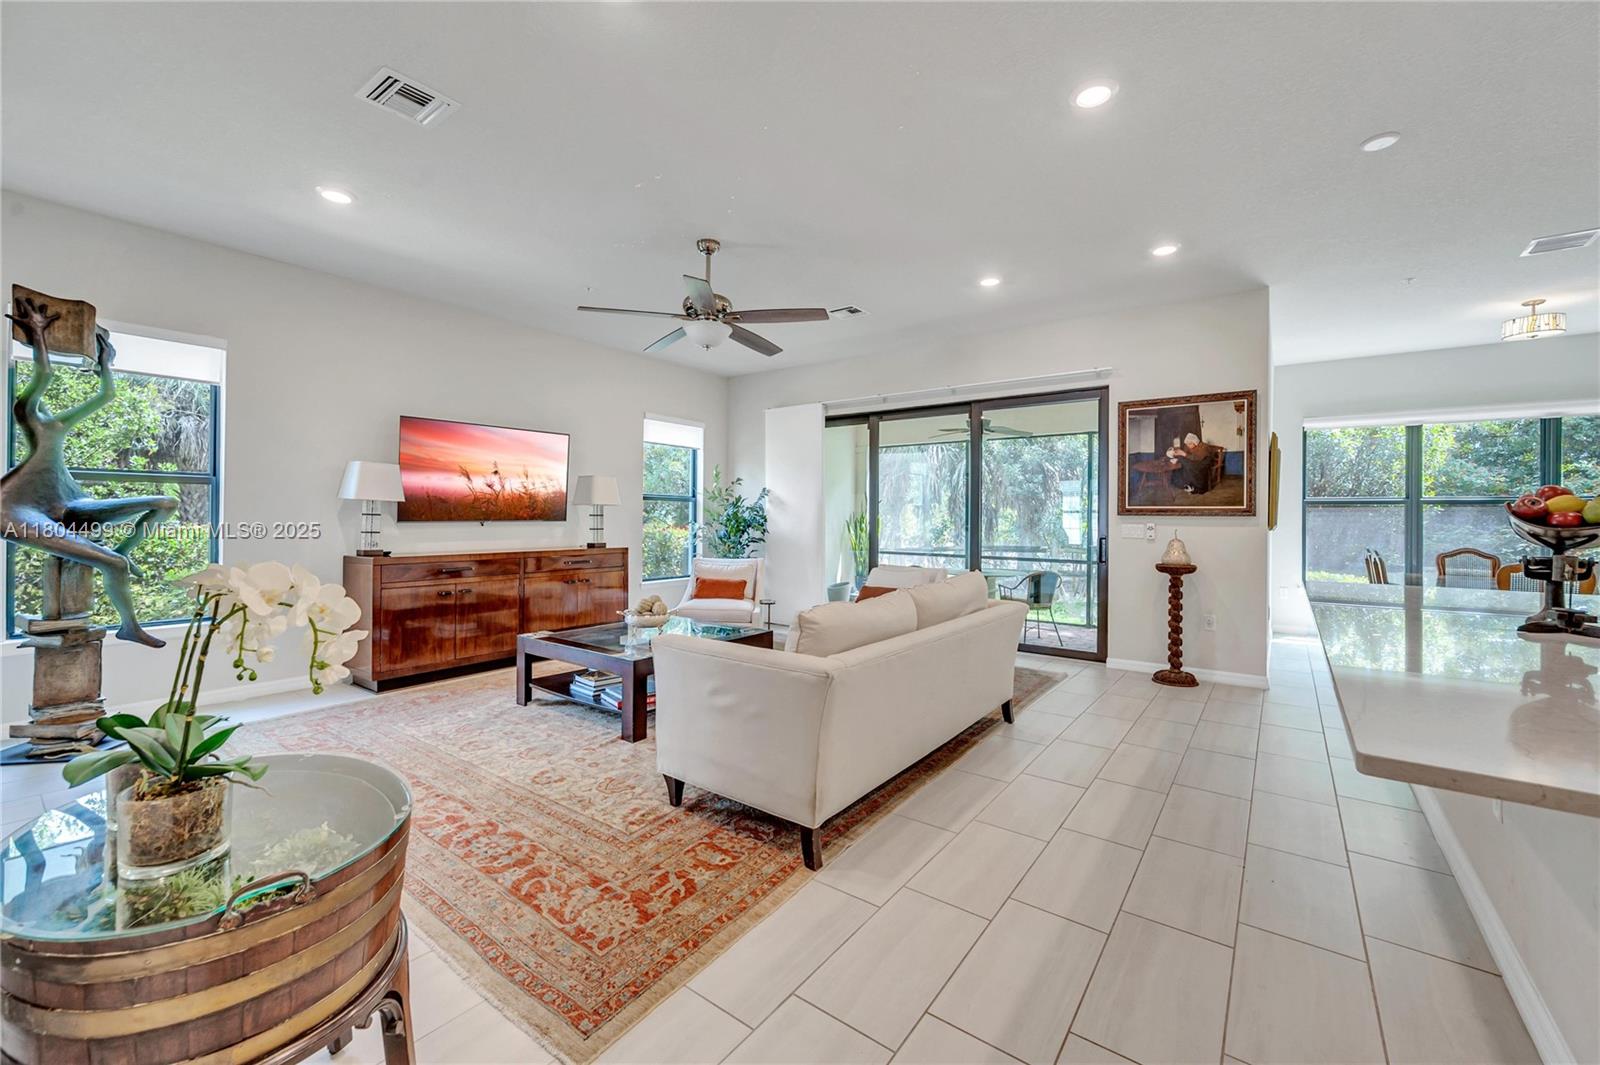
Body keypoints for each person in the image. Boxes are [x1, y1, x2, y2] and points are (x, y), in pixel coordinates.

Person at [2, 295, 176, 646]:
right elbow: (44, 374)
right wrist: (37, 332)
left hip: (67, 501)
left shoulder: (57, 425)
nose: (42, 399)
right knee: (110, 565)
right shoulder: (29, 415)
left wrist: (106, 362)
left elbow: (106, 395)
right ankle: (129, 624)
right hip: (18, 507)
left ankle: (122, 556)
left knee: (165, 503)